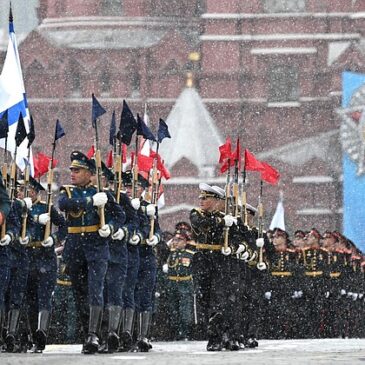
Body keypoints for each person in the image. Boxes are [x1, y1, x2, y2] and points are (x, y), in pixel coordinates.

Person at [58, 151, 125, 354]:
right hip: (75, 249)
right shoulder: (68, 191)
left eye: (77, 171)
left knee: (96, 290)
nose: (73, 174)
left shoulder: (103, 194)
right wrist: (90, 202)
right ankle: (88, 332)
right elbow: (64, 205)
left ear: (89, 173)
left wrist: (111, 228)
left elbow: (119, 216)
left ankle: (94, 335)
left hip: (97, 247)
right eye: (72, 170)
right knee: (80, 293)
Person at [21, 176, 66, 352]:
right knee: (29, 300)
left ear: (35, 192)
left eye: (28, 190)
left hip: (44, 256)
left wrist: (53, 239)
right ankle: (32, 336)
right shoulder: (20, 208)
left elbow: (63, 226)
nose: (24, 193)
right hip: (26, 256)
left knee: (44, 297)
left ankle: (41, 333)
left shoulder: (46, 208)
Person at [163, 230, 194, 340]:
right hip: (172, 284)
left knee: (184, 311)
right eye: (175, 239)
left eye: (179, 240)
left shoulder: (190, 255)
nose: (176, 242)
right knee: (173, 310)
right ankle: (174, 332)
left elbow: (194, 272)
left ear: (185, 242)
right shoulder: (169, 253)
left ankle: (184, 332)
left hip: (184, 284)